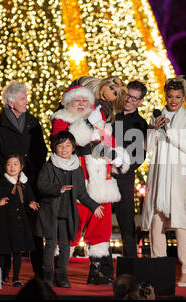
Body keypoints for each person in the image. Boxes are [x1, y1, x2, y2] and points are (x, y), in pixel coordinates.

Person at [50, 85, 129, 285]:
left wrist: (117, 157)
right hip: (77, 182)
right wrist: (87, 125)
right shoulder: (61, 119)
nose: (82, 104)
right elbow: (64, 143)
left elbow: (109, 145)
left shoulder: (100, 122)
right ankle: (60, 272)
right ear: (68, 102)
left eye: (85, 101)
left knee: (100, 230)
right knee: (70, 226)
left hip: (102, 183)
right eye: (77, 100)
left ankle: (96, 272)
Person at [141, 75, 186, 287]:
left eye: (177, 97)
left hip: (178, 175)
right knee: (156, 222)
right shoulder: (157, 117)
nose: (173, 100)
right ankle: (159, 267)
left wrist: (168, 130)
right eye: (170, 96)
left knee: (181, 223)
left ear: (183, 97)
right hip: (158, 173)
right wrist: (154, 129)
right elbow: (148, 147)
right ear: (165, 96)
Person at [0, 81, 47, 279]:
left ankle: (40, 273)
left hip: (30, 185)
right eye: (22, 98)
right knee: (6, 230)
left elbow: (41, 151)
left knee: (34, 230)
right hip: (7, 186)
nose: (26, 101)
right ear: (11, 102)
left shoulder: (32, 121)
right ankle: (2, 274)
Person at [36, 131, 103, 288]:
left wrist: (94, 206)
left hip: (67, 213)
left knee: (66, 245)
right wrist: (58, 188)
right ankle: (47, 276)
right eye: (60, 146)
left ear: (73, 148)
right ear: (55, 148)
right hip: (51, 212)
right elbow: (41, 185)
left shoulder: (77, 169)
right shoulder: (49, 166)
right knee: (51, 244)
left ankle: (62, 276)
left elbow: (81, 193)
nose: (64, 149)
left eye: (67, 146)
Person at [0, 154, 39, 287]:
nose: (12, 167)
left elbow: (28, 200)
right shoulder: (1, 182)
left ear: (21, 167)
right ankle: (0, 277)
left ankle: (16, 278)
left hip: (19, 223)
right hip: (4, 222)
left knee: (17, 251)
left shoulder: (25, 184)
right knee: (2, 251)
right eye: (9, 164)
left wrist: (30, 204)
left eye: (15, 164)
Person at [112, 80, 148, 257]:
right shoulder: (110, 114)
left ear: (140, 101)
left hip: (124, 176)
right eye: (128, 95)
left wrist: (123, 167)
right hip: (101, 172)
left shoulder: (140, 124)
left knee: (126, 219)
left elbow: (140, 156)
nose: (129, 101)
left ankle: (131, 261)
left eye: (134, 99)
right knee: (97, 217)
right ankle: (99, 265)